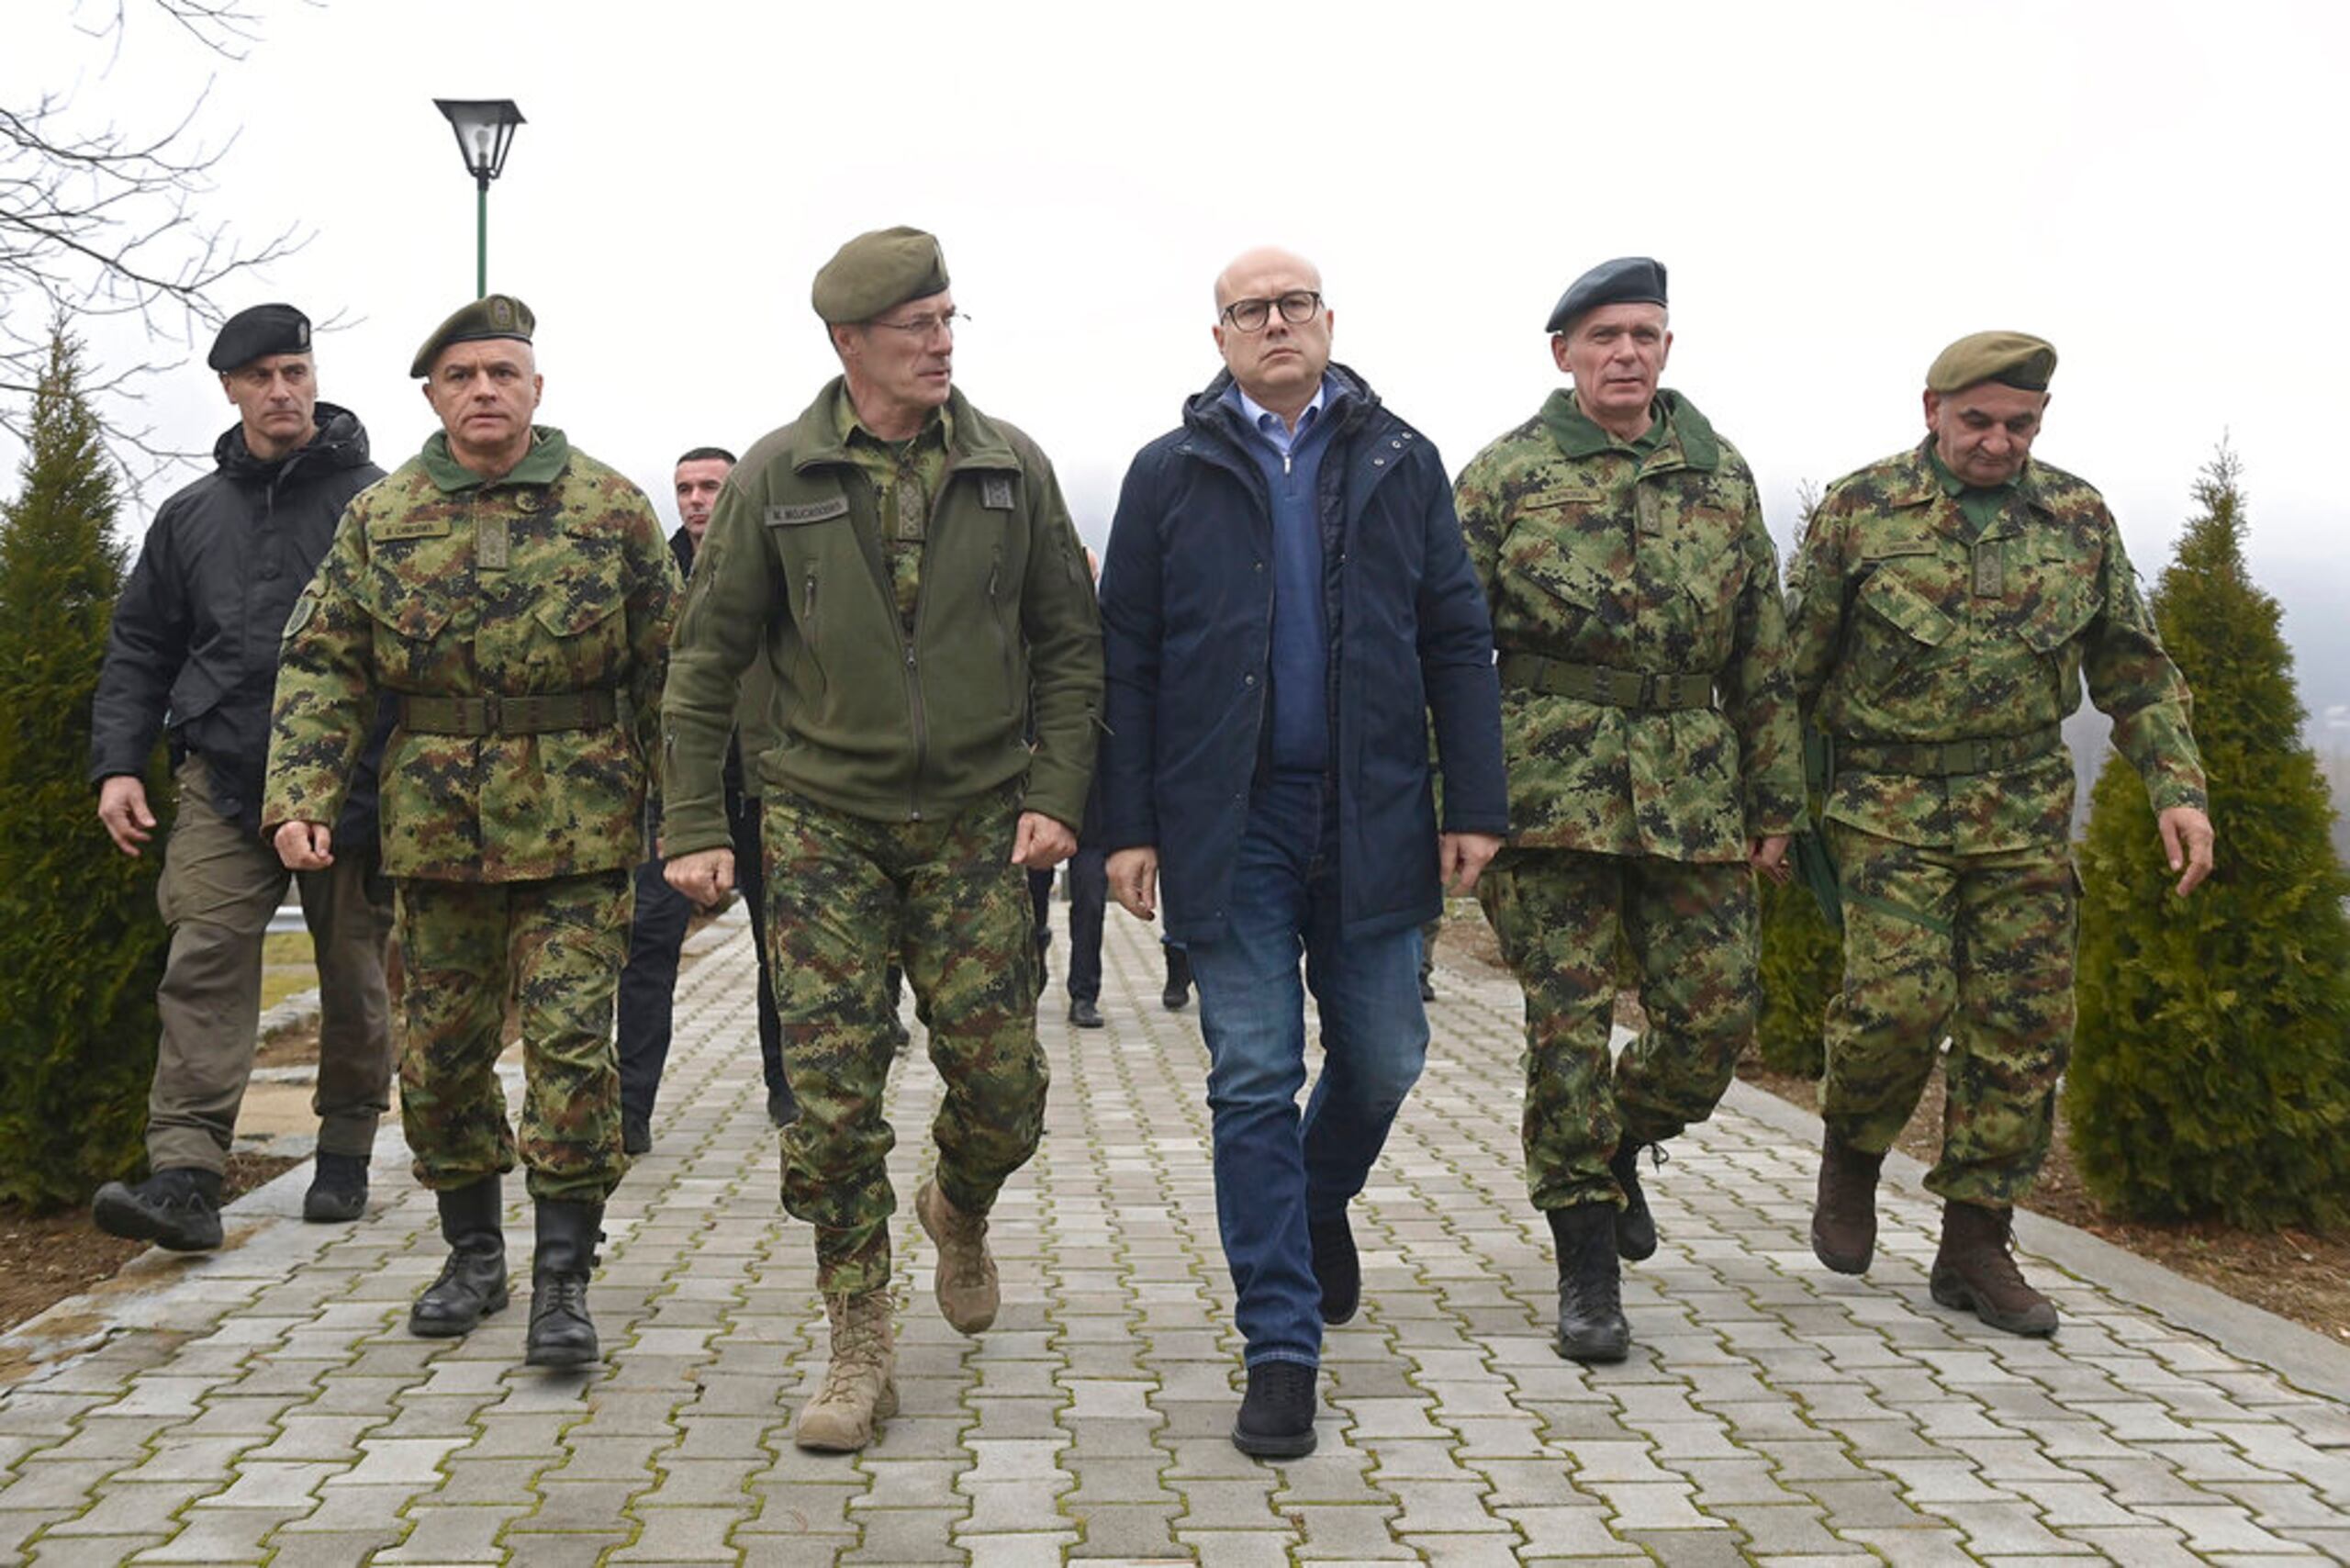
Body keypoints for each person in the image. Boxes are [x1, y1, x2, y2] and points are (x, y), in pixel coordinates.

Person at [661, 227, 1101, 1452]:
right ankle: (859, 1339)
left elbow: (1070, 645)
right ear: (850, 343)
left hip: (975, 824)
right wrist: (697, 823)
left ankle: (957, 1207)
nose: (942, 344)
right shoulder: (777, 475)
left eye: (951, 320)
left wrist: (1057, 789)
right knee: (835, 1106)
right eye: (916, 327)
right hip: (823, 827)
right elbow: (704, 663)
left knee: (1005, 1087)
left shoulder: (1011, 467)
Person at [1097, 246, 1506, 1458]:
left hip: (1376, 808)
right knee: (1251, 1072)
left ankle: (1318, 1199)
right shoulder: (1169, 475)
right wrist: (1125, 827)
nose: (1273, 323)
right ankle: (1281, 1344)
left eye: (1292, 305)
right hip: (1233, 821)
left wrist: (1470, 800)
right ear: (1218, 335)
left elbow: (1456, 637)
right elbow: (1126, 656)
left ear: (1327, 320)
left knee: (1384, 1055)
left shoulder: (1400, 461)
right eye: (1248, 311)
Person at [263, 295, 678, 1369]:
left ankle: (562, 1278)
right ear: (434, 395)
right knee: (442, 1059)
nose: (484, 389)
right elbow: (326, 663)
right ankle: (473, 1253)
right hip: (437, 835)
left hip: (581, 831)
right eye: (461, 375)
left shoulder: (611, 507)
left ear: (537, 387)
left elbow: (673, 675)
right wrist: (303, 793)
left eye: (503, 371)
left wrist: (689, 820)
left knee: (572, 1051)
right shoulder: (384, 517)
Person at [1787, 330, 2213, 1336]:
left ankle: (1976, 1241)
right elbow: (1791, 670)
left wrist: (2175, 788)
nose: (1995, 441)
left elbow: (2132, 667)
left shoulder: (2076, 516)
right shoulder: (1862, 510)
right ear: (1930, 410)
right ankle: (1851, 1152)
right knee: (1897, 1000)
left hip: (2018, 811)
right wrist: (1768, 805)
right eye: (1976, 420)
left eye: (2017, 424)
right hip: (1886, 806)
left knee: (2021, 1028)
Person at [1453, 258, 1803, 1364]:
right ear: (1562, 352)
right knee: (1566, 1026)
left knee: (1712, 1022)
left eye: (1645, 334)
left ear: (1665, 348)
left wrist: (1776, 801)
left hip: (1692, 789)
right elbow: (1447, 650)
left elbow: (1762, 647)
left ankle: (1611, 1148)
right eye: (1603, 334)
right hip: (1543, 793)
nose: (1626, 353)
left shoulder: (1719, 474)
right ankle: (1585, 1266)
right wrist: (1447, 799)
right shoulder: (1503, 476)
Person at [87, 303, 397, 1252]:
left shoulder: (381, 503)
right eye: (259, 376)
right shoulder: (190, 517)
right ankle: (185, 1179)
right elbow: (141, 645)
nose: (280, 391)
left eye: (294, 371)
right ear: (228, 389)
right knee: (205, 960)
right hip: (223, 777)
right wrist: (117, 766)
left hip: (352, 789)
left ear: (314, 376)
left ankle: (344, 1145)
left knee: (352, 975)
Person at [616, 447, 798, 1151]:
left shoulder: (776, 571)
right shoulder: (651, 576)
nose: (696, 500)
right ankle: (631, 1106)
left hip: (761, 787)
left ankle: (786, 1087)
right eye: (685, 488)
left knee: (779, 946)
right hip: (675, 792)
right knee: (647, 947)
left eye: (711, 487)